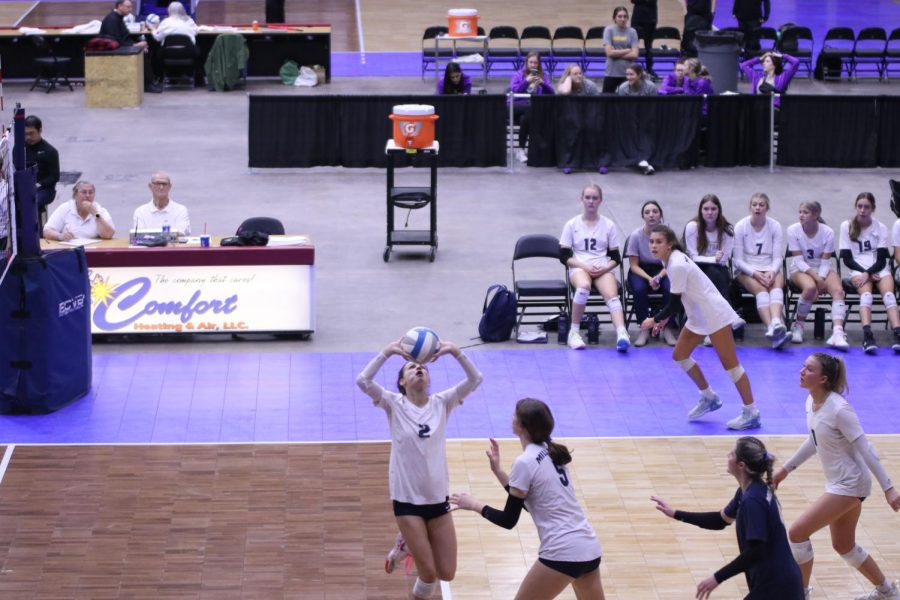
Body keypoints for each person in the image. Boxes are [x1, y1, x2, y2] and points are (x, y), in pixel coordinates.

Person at [356, 338, 482, 600]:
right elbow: (363, 381)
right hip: (407, 500)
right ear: (402, 382)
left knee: (447, 572)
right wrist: (387, 352)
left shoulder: (442, 403)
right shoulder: (393, 404)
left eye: (422, 368)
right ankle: (407, 543)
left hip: (437, 498)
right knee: (428, 574)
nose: (419, 370)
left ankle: (406, 544)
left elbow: (475, 379)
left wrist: (456, 352)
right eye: (411, 369)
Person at [774, 353, 900, 600]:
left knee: (797, 533)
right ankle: (888, 591)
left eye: (808, 369)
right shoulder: (811, 403)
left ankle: (800, 593)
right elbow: (815, 439)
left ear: (823, 379)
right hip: (840, 483)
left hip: (850, 484)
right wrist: (786, 469)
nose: (802, 371)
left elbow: (867, 449)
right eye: (803, 367)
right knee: (843, 545)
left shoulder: (840, 409)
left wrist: (889, 488)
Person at [451, 398, 604, 600]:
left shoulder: (525, 461)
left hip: (562, 550)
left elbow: (508, 520)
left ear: (521, 426)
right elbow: (533, 503)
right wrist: (498, 472)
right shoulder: (551, 452)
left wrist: (474, 505)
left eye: (515, 415)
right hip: (588, 547)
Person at [651, 436, 804, 599]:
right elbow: (720, 520)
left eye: (732, 454)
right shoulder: (749, 491)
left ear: (741, 465)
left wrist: (717, 578)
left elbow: (756, 551)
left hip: (778, 587)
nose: (727, 456)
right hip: (775, 582)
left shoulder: (752, 500)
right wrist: (676, 514)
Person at [641, 224, 760, 430]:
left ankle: (751, 412)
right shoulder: (669, 259)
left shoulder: (676, 263)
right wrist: (662, 320)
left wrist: (654, 319)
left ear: (669, 245)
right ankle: (709, 397)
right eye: (651, 241)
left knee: (731, 366)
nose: (653, 245)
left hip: (714, 314)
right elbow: (679, 300)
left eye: (658, 242)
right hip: (698, 314)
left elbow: (673, 304)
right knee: (679, 355)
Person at [560, 184, 631, 352]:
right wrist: (582, 265)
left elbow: (615, 258)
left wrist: (605, 268)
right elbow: (563, 256)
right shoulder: (572, 224)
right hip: (580, 266)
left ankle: (622, 333)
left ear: (600, 201)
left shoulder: (608, 225)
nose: (591, 201)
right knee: (583, 286)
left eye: (595, 198)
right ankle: (574, 333)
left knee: (611, 295)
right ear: (582, 200)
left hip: (602, 267)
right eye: (588, 198)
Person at [839, 192, 900, 353]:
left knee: (889, 295)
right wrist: (865, 273)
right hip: (857, 270)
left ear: (872, 209)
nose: (862, 210)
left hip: (879, 269)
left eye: (866, 207)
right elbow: (846, 258)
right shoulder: (847, 226)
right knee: (866, 295)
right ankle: (867, 335)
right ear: (855, 207)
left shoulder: (881, 228)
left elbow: (881, 259)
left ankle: (898, 333)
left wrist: (870, 272)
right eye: (859, 206)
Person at [785, 201, 848, 348]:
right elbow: (799, 261)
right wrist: (817, 280)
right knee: (809, 288)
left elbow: (826, 262)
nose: (801, 215)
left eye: (805, 212)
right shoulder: (793, 230)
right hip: (800, 269)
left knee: (838, 290)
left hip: (822, 269)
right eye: (800, 212)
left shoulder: (828, 232)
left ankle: (837, 333)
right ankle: (798, 326)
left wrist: (821, 278)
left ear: (815, 215)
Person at [733, 192, 789, 349]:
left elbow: (778, 257)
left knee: (777, 284)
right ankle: (771, 327)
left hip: (769, 267)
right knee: (762, 290)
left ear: (767, 208)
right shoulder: (741, 226)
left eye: (761, 205)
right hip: (747, 270)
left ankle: (777, 322)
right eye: (754, 204)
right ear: (750, 207)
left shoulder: (775, 226)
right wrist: (755, 273)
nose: (758, 207)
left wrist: (772, 270)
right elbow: (737, 260)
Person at [627, 201, 676, 346]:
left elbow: (672, 261)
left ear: (660, 215)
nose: (651, 215)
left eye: (655, 211)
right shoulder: (636, 235)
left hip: (664, 268)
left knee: (671, 288)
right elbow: (633, 265)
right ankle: (644, 329)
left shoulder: (669, 234)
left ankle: (667, 327)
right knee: (639, 289)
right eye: (647, 212)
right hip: (641, 270)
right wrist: (650, 279)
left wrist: (659, 277)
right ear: (643, 216)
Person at [99, 0, 161, 93]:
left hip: (121, 46)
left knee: (147, 49)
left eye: (131, 7)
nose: (130, 9)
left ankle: (150, 81)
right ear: (119, 6)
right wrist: (136, 45)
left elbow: (124, 37)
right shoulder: (112, 19)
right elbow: (115, 41)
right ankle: (147, 85)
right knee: (142, 54)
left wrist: (140, 43)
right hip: (114, 50)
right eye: (128, 7)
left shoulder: (118, 17)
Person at [509, 52, 554, 163]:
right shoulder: (518, 75)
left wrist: (543, 84)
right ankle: (539, 144)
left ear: (539, 64)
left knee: (525, 118)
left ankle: (520, 149)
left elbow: (552, 93)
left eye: (536, 63)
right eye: (531, 62)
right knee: (530, 110)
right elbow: (514, 92)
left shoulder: (543, 76)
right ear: (526, 63)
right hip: (516, 106)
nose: (533, 65)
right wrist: (526, 82)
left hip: (531, 109)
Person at [43, 181, 115, 241]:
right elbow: (47, 231)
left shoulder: (100, 210)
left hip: (92, 250)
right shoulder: (64, 208)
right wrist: (59, 236)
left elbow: (108, 235)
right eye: (84, 192)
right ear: (75, 195)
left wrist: (96, 214)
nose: (87, 195)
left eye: (91, 192)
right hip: (69, 250)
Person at [22, 116, 59, 215]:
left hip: (44, 190)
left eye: (31, 133)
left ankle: (38, 228)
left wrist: (38, 185)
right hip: (23, 187)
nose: (28, 137)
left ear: (40, 131)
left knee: (32, 202)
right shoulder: (19, 149)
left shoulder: (50, 151)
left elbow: (54, 177)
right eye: (25, 134)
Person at [602, 6, 639, 94]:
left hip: (628, 74)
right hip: (611, 73)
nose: (622, 19)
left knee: (627, 103)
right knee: (606, 102)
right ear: (614, 18)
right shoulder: (609, 30)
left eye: (625, 16)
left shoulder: (632, 32)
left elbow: (635, 55)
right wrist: (627, 50)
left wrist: (616, 52)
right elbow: (609, 53)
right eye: (619, 16)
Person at [630, 0, 658, 78]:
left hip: (650, 17)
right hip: (637, 16)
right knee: (633, 44)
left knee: (648, 46)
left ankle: (649, 69)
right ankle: (631, 67)